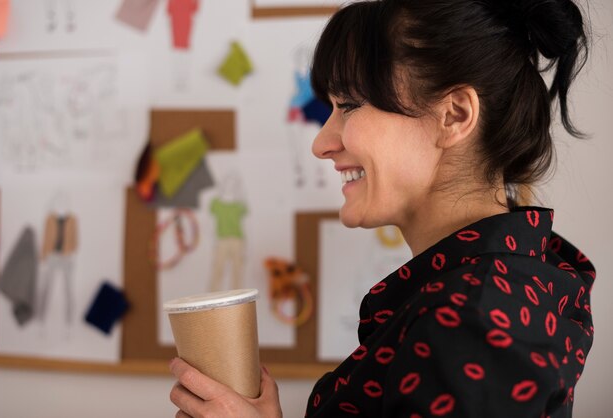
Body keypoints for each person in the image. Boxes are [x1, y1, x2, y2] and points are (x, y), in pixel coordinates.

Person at [169, 0, 595, 416]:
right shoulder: (501, 285)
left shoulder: (472, 315)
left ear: (454, 115)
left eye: (350, 105)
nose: (321, 144)